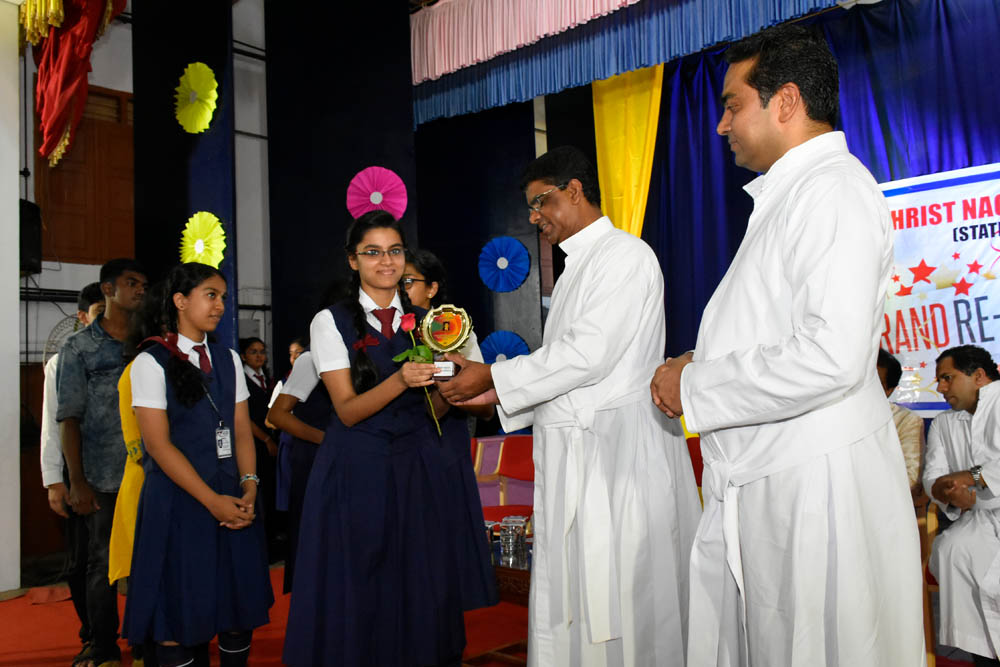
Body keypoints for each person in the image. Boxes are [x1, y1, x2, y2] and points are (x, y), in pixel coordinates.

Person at [648, 24, 924, 665]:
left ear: (788, 101)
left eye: (732, 104)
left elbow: (831, 356)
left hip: (815, 486)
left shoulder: (834, 189)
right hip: (779, 474)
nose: (721, 124)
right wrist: (698, 363)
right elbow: (775, 331)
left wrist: (694, 384)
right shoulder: (795, 192)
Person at [438, 146, 701, 666]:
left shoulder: (625, 256)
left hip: (615, 457)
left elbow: (588, 356)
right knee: (576, 599)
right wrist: (495, 396)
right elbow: (566, 372)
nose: (535, 217)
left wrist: (495, 377)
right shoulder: (577, 268)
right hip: (578, 454)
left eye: (541, 202)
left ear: (575, 190)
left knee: (624, 601)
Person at [283, 211, 467, 666]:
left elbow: (437, 410)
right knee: (361, 580)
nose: (386, 261)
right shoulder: (330, 322)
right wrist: (402, 379)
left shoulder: (430, 321)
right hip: (357, 466)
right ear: (353, 260)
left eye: (395, 251)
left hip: (416, 465)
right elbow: (346, 410)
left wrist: (451, 385)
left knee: (420, 580)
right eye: (373, 252)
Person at [122, 263, 272, 667]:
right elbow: (158, 446)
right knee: (177, 616)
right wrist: (211, 501)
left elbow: (242, 430)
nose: (220, 305)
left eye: (222, 297)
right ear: (180, 301)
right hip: (180, 501)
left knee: (237, 610)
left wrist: (250, 484)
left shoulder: (227, 358)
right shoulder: (150, 361)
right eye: (210, 295)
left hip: (231, 495)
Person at [57, 259, 147, 667]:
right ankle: (103, 645)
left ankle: (146, 640)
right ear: (108, 290)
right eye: (132, 283)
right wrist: (76, 480)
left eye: (144, 284)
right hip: (102, 475)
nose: (141, 290)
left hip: (149, 471)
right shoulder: (79, 347)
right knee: (102, 564)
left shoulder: (151, 343)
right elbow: (68, 419)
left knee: (147, 561)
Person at [403, 248, 498, 612]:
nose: (401, 289)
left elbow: (486, 406)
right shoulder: (388, 330)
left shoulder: (456, 332)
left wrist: (448, 385)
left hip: (445, 447)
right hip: (398, 447)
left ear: (432, 289)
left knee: (444, 543)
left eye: (408, 281)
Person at [39, 281, 104, 666]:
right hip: (77, 472)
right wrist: (54, 480)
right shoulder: (62, 361)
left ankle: (142, 636)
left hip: (126, 470)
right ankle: (93, 636)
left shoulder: (136, 354)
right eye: (99, 312)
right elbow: (52, 423)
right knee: (82, 562)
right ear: (82, 316)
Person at [924, 345, 1000, 667]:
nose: (941, 388)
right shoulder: (944, 423)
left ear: (978, 376)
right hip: (978, 520)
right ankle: (983, 658)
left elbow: (984, 471)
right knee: (953, 549)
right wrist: (948, 491)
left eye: (947, 378)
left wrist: (971, 477)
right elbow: (932, 476)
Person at [240, 336, 283, 562]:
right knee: (257, 493)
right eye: (253, 352)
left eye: (262, 351)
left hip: (270, 443)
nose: (259, 356)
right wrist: (266, 439)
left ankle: (271, 541)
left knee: (270, 491)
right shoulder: (242, 380)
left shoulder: (268, 379)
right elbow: (243, 418)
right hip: (253, 443)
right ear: (244, 356)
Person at [877, 348, 925, 494]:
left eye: (873, 383)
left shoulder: (906, 421)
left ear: (889, 390)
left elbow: (910, 480)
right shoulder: (832, 416)